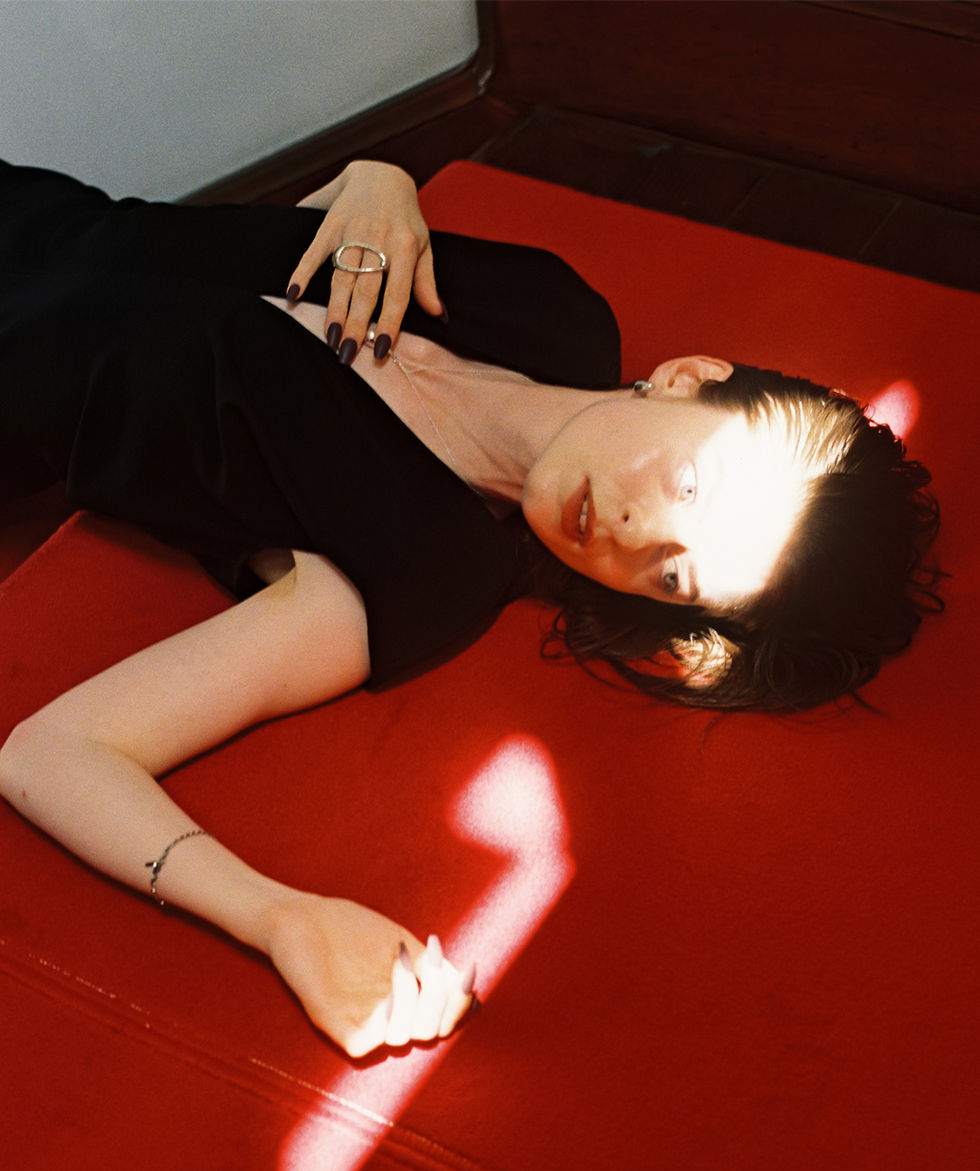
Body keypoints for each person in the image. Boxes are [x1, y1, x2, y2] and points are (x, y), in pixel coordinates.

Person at [0, 159, 942, 1058]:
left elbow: (50, 751)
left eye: (674, 576)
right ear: (688, 378)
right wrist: (380, 179)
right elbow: (222, 247)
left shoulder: (424, 565)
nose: (632, 532)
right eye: (690, 486)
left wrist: (279, 919)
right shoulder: (550, 307)